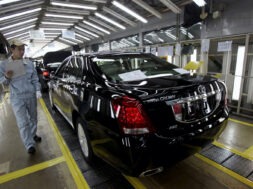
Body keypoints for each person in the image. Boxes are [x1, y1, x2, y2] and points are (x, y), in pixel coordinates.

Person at [0, 38, 42, 154]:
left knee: (33, 119)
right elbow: (2, 82)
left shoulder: (28, 63)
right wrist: (7, 77)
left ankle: (32, 135)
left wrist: (37, 90)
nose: (22, 52)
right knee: (23, 122)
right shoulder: (4, 65)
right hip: (17, 98)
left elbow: (34, 78)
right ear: (12, 49)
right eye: (19, 49)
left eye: (23, 49)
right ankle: (29, 145)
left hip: (30, 95)